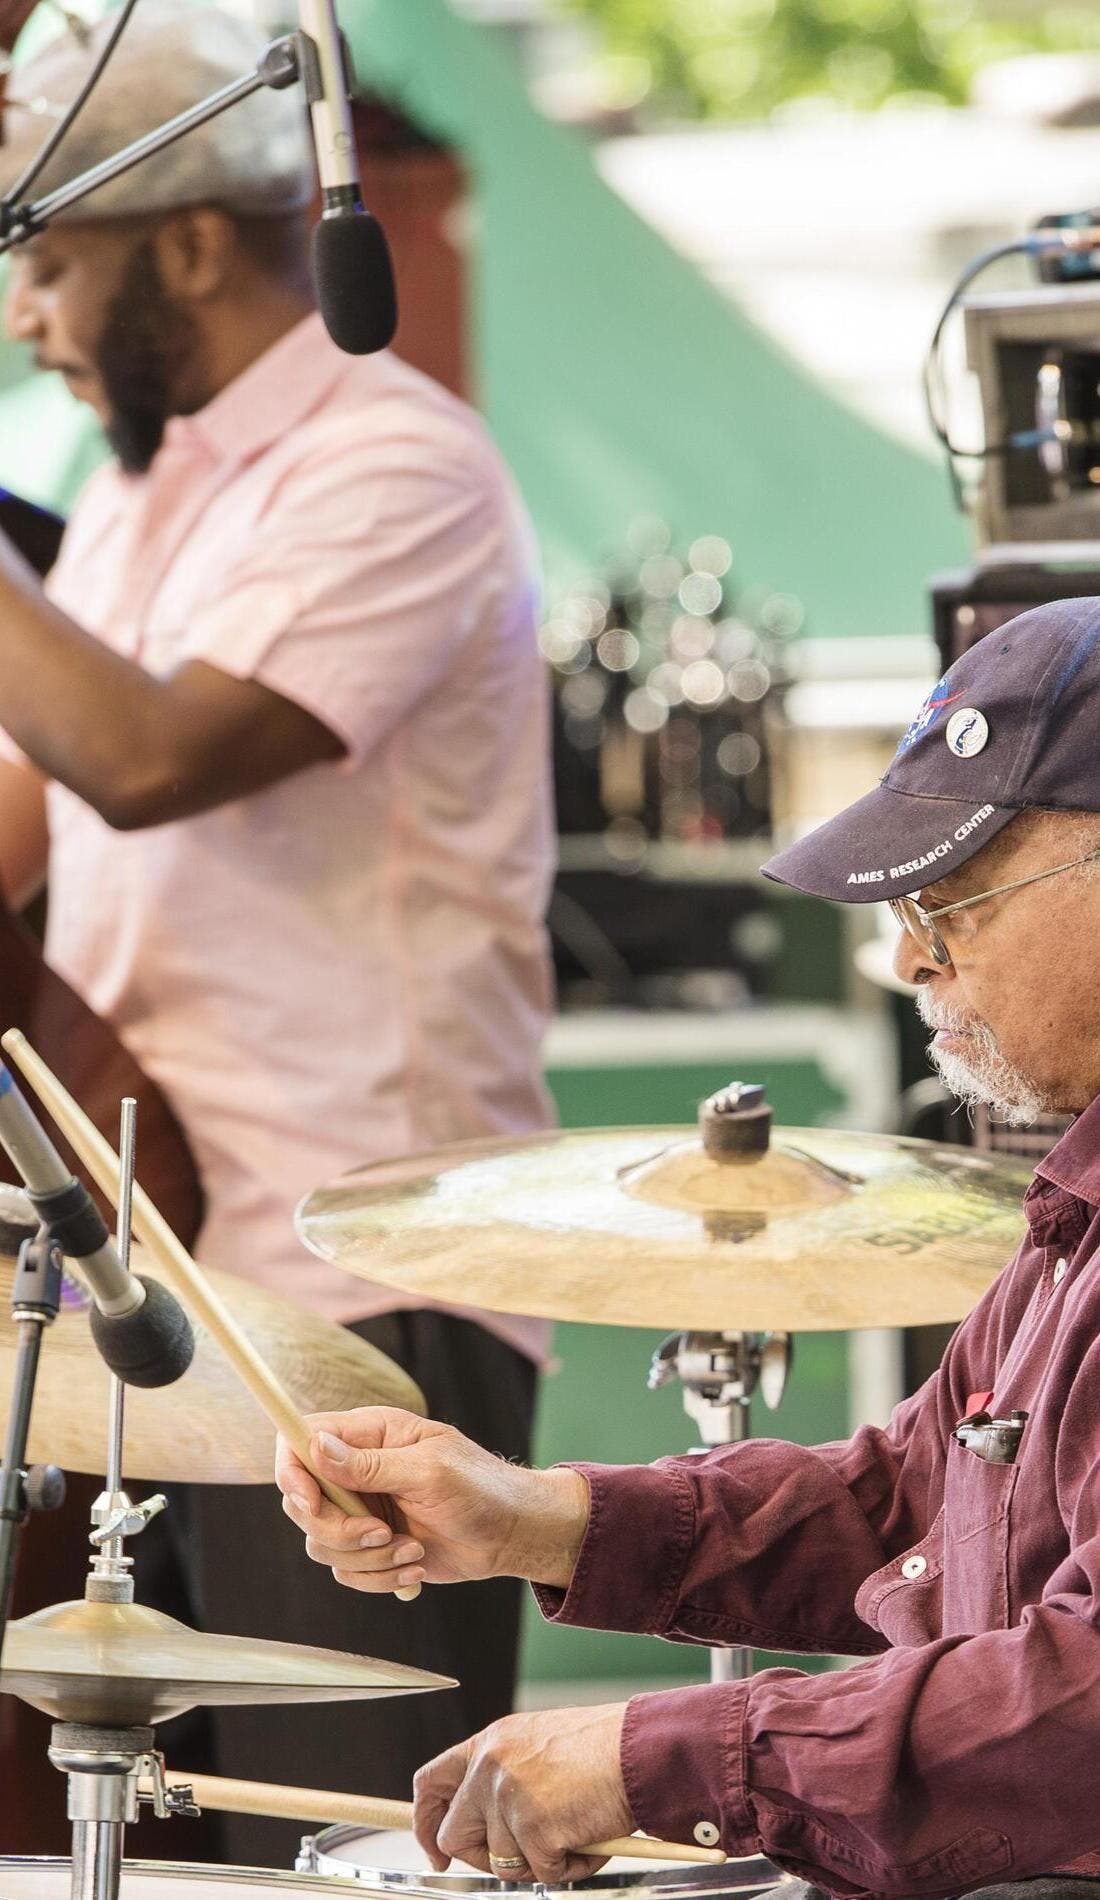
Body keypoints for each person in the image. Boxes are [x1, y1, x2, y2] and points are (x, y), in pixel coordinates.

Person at [279, 597, 1100, 1900]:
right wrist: (536, 1519)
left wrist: (660, 1758)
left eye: (953, 896)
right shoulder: (1076, 1214)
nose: (907, 956)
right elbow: (906, 1507)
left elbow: (1082, 1712)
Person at [0, 2, 554, 1863]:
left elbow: (143, 758)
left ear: (185, 242)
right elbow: (26, 821)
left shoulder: (392, 463)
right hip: (142, 1289)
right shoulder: (133, 496)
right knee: (130, 1846)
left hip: (348, 1283)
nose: (27, 320)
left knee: (332, 1850)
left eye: (51, 264)